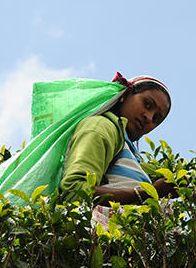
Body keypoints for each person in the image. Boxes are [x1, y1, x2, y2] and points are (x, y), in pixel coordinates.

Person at [60, 72, 177, 205]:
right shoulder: (101, 127)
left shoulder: (128, 150)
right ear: (125, 95)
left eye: (156, 119)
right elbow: (74, 192)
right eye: (147, 104)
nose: (149, 117)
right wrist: (148, 192)